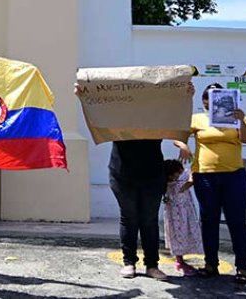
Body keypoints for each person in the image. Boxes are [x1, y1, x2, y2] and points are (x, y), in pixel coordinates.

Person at [74, 82, 181, 280]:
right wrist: (84, 97)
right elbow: (97, 114)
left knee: (149, 220)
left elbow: (176, 112)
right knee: (129, 218)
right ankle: (129, 262)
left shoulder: (157, 117)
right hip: (122, 175)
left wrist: (186, 96)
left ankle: (152, 265)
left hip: (152, 175)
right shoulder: (117, 116)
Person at [173, 83, 246, 284]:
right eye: (209, 97)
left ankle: (242, 267)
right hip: (205, 177)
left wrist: (241, 120)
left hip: (233, 176)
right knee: (209, 221)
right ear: (205, 101)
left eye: (219, 96)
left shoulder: (238, 116)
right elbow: (177, 134)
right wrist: (183, 145)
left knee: (236, 222)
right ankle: (211, 264)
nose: (213, 100)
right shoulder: (197, 118)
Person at [162, 159, 202, 277]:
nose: (180, 173)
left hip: (178, 215)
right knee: (179, 237)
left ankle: (180, 261)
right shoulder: (174, 183)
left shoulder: (173, 181)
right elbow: (191, 180)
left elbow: (190, 179)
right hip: (178, 216)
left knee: (181, 236)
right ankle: (180, 262)